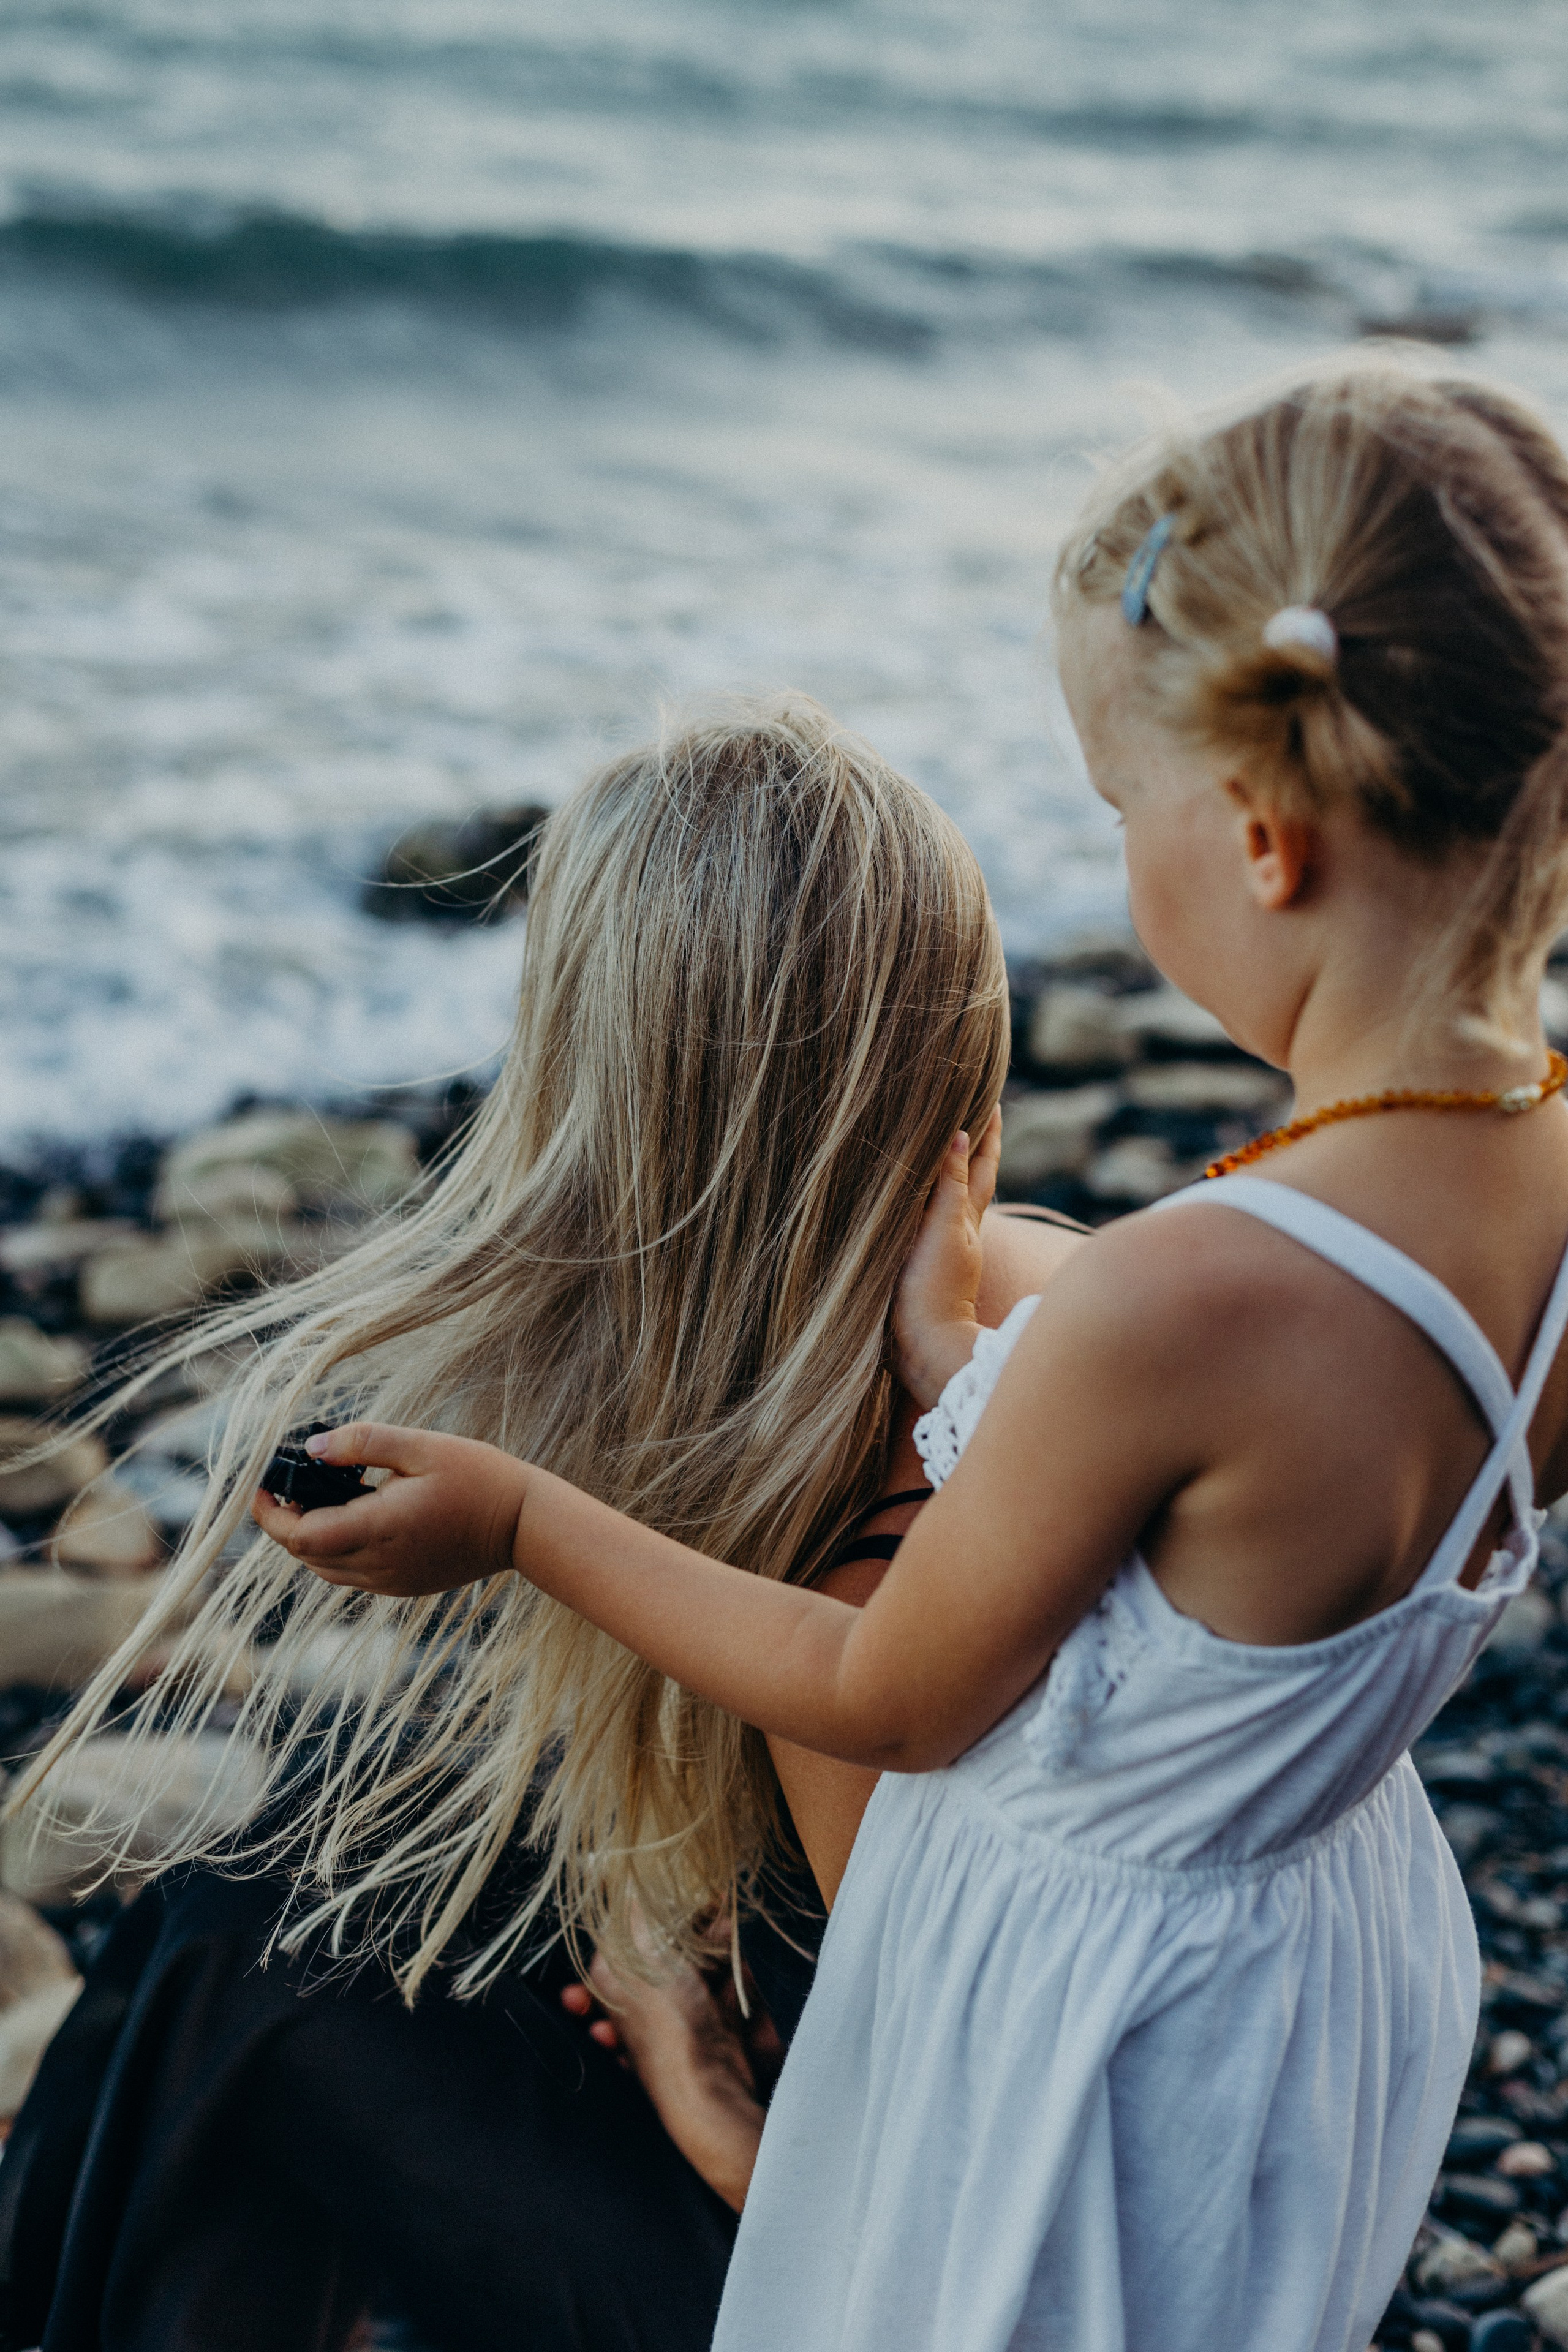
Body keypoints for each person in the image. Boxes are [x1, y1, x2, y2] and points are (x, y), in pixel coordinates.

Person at [256, 356, 1568, 2352]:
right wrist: (979, 1372)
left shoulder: (1176, 1298)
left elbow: (887, 1687)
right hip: (1313, 1970)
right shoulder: (1527, 1193)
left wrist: (524, 1520)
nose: (1123, 868)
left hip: (1087, 2029)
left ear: (1263, 835)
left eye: (1124, 807)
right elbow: (1266, 1557)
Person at [4, 696, 1079, 2352]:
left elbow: (975, 2238)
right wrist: (683, 1947)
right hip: (841, 2124)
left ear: (619, 1083)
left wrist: (697, 2096)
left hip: (841, 2274)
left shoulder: (885, 1553)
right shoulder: (1024, 1309)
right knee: (257, 1904)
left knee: (245, 1981)